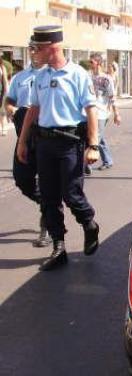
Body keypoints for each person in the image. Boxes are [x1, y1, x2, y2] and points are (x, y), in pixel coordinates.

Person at [17, 25, 100, 271]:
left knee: (71, 194)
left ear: (50, 48)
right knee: (49, 197)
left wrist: (93, 145)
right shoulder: (40, 76)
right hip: (44, 143)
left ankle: (89, 224)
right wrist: (22, 141)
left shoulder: (77, 74)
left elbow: (91, 109)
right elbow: (33, 109)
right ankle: (59, 246)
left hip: (69, 142)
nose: (33, 53)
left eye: (36, 48)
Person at [3, 37, 50, 247]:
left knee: (49, 180)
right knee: (22, 178)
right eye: (30, 48)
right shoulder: (20, 77)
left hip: (48, 134)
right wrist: (11, 110)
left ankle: (47, 225)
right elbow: (9, 100)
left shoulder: (54, 75)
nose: (33, 52)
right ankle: (46, 204)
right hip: (25, 135)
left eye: (36, 48)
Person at [89, 53, 121, 171]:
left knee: (95, 138)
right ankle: (108, 160)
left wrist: (116, 114)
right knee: (99, 138)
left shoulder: (106, 79)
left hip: (102, 113)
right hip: (90, 112)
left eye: (91, 62)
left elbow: (112, 97)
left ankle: (86, 163)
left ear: (98, 63)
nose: (90, 64)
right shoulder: (89, 77)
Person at [0, 59, 8, 136]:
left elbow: (5, 80)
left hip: (1, 92)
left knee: (2, 111)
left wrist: (7, 92)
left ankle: (4, 128)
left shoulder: (2, 67)